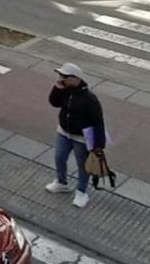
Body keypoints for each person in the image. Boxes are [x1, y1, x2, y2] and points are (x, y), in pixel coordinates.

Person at [46, 62, 108, 207]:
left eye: (65, 76)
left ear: (75, 78)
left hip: (81, 137)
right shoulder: (66, 90)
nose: (61, 78)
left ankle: (81, 192)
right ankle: (61, 182)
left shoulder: (90, 99)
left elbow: (98, 121)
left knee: (83, 165)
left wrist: (98, 145)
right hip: (64, 131)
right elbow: (54, 102)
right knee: (59, 157)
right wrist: (57, 89)